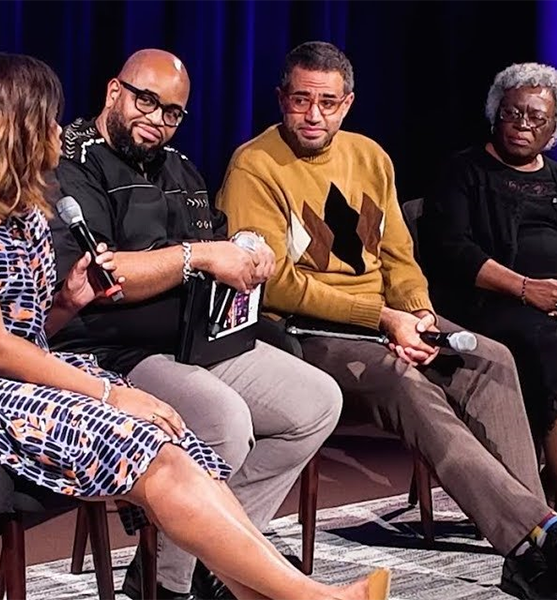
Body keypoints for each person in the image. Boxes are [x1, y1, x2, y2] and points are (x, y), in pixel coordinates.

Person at [0, 52, 388, 600]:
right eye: (48, 119)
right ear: (10, 127)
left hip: (43, 371)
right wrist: (109, 391)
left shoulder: (24, 209)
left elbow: (31, 326)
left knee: (176, 441)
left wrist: (68, 300)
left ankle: (257, 589)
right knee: (156, 442)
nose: (57, 129)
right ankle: (306, 598)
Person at [216, 41, 557, 600]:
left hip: (388, 316)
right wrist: (384, 317)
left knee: (489, 360)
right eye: (300, 101)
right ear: (281, 99)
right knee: (407, 383)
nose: (313, 115)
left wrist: (419, 313)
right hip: (305, 330)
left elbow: (399, 257)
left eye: (327, 103)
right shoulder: (255, 164)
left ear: (347, 103)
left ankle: (526, 550)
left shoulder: (370, 156)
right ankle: (536, 534)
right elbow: (272, 282)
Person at [49, 49, 343, 600]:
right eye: (146, 101)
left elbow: (222, 240)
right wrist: (199, 256)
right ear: (115, 91)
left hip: (198, 340)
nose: (157, 119)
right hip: (114, 352)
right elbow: (101, 276)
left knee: (317, 401)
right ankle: (166, 583)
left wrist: (250, 251)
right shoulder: (71, 161)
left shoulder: (180, 167)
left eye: (172, 112)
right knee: (224, 424)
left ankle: (215, 560)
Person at [419, 63, 557, 567]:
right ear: (496, 114)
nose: (522, 123)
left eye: (536, 117)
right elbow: (449, 249)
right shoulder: (464, 172)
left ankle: (544, 491)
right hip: (493, 306)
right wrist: (524, 288)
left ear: (554, 129)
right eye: (513, 112)